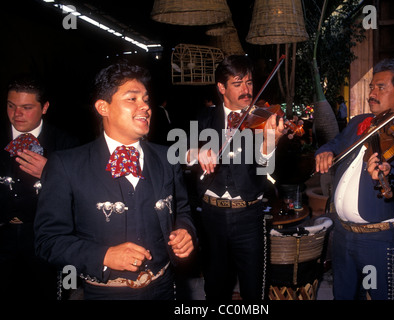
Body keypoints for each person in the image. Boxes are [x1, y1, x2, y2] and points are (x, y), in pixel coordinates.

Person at [34, 61, 196, 300]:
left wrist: (185, 231)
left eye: (145, 99)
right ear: (103, 107)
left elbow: (182, 210)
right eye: (132, 99)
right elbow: (47, 241)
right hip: (103, 293)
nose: (145, 107)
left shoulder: (166, 158)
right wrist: (103, 256)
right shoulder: (66, 165)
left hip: (164, 288)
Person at [315, 59, 394, 300]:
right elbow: (334, 144)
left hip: (378, 240)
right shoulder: (357, 123)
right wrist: (325, 152)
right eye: (372, 87)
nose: (372, 93)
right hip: (342, 236)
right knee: (343, 296)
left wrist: (389, 173)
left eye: (381, 87)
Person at [187, 55, 284, 300]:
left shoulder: (262, 118)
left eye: (250, 83)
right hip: (211, 216)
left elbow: (265, 168)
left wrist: (270, 143)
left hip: (249, 215)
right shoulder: (204, 117)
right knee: (215, 287)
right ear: (222, 88)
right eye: (238, 83)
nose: (246, 90)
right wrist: (196, 152)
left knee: (254, 288)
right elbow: (179, 153)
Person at [0, 75, 79, 299]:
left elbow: (82, 196)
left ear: (44, 107)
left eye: (26, 107)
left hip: (44, 239)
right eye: (11, 106)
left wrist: (52, 173)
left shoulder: (67, 144)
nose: (17, 114)